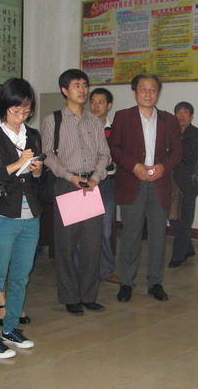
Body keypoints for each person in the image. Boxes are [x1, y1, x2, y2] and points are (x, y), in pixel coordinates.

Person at [0, 78, 43, 358]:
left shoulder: (33, 134)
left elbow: (39, 180)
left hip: (30, 214)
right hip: (2, 215)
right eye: (16, 110)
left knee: (20, 276)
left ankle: (11, 327)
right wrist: (17, 164)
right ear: (4, 107)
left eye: (27, 110)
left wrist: (37, 170)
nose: (21, 115)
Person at [41, 69, 111, 316]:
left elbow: (105, 154)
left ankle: (88, 295)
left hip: (91, 186)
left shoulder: (94, 120)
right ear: (64, 90)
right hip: (67, 184)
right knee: (66, 245)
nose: (82, 90)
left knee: (92, 245)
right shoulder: (53, 120)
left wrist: (95, 178)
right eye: (76, 85)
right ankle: (70, 296)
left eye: (84, 85)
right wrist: (70, 177)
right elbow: (48, 155)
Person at [109, 74, 182, 302]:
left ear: (158, 93)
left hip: (159, 183)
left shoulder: (169, 120)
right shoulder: (122, 117)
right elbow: (114, 148)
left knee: (158, 237)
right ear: (135, 93)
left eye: (153, 89)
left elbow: (177, 152)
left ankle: (155, 283)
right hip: (133, 183)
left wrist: (163, 167)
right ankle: (126, 283)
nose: (148, 93)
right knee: (130, 236)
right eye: (143, 89)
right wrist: (134, 166)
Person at [168, 101, 198, 268]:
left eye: (185, 113)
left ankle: (178, 256)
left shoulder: (197, 133)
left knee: (185, 220)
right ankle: (188, 249)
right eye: (178, 113)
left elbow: (191, 156)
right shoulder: (170, 132)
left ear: (191, 116)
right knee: (173, 218)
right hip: (170, 181)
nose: (181, 116)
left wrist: (178, 140)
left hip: (188, 183)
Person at [89, 87, 120, 283]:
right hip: (87, 184)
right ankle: (86, 269)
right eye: (92, 102)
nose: (96, 106)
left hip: (107, 183)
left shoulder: (115, 130)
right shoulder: (83, 128)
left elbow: (121, 152)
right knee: (87, 229)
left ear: (109, 106)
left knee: (106, 230)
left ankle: (106, 270)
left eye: (101, 102)